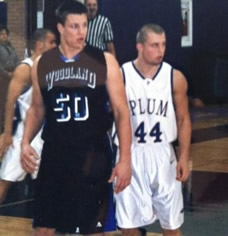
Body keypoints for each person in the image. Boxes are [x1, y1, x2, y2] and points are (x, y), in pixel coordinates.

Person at [20, 1, 131, 236]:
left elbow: (121, 112)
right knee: (44, 228)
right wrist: (25, 142)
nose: (82, 32)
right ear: (60, 27)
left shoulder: (105, 61)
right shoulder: (42, 63)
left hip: (93, 156)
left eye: (84, 26)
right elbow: (37, 109)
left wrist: (125, 159)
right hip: (55, 154)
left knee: (93, 229)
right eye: (74, 26)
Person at [114, 24, 191, 236]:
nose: (161, 50)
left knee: (171, 224)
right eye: (154, 45)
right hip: (131, 154)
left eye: (163, 45)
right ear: (139, 46)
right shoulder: (121, 76)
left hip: (163, 155)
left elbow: (184, 120)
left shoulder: (174, 77)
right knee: (127, 225)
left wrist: (183, 157)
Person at [0, 28, 56, 204]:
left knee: (51, 184)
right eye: (51, 42)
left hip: (43, 137)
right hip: (22, 136)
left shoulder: (50, 68)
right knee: (5, 182)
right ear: (39, 45)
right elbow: (10, 102)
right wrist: (7, 133)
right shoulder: (25, 69)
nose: (55, 46)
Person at [0, 25, 19, 134]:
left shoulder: (10, 47)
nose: (4, 36)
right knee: (2, 103)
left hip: (12, 77)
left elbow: (16, 59)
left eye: (5, 34)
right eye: (2, 34)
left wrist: (17, 70)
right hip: (2, 78)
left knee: (10, 101)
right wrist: (7, 73)